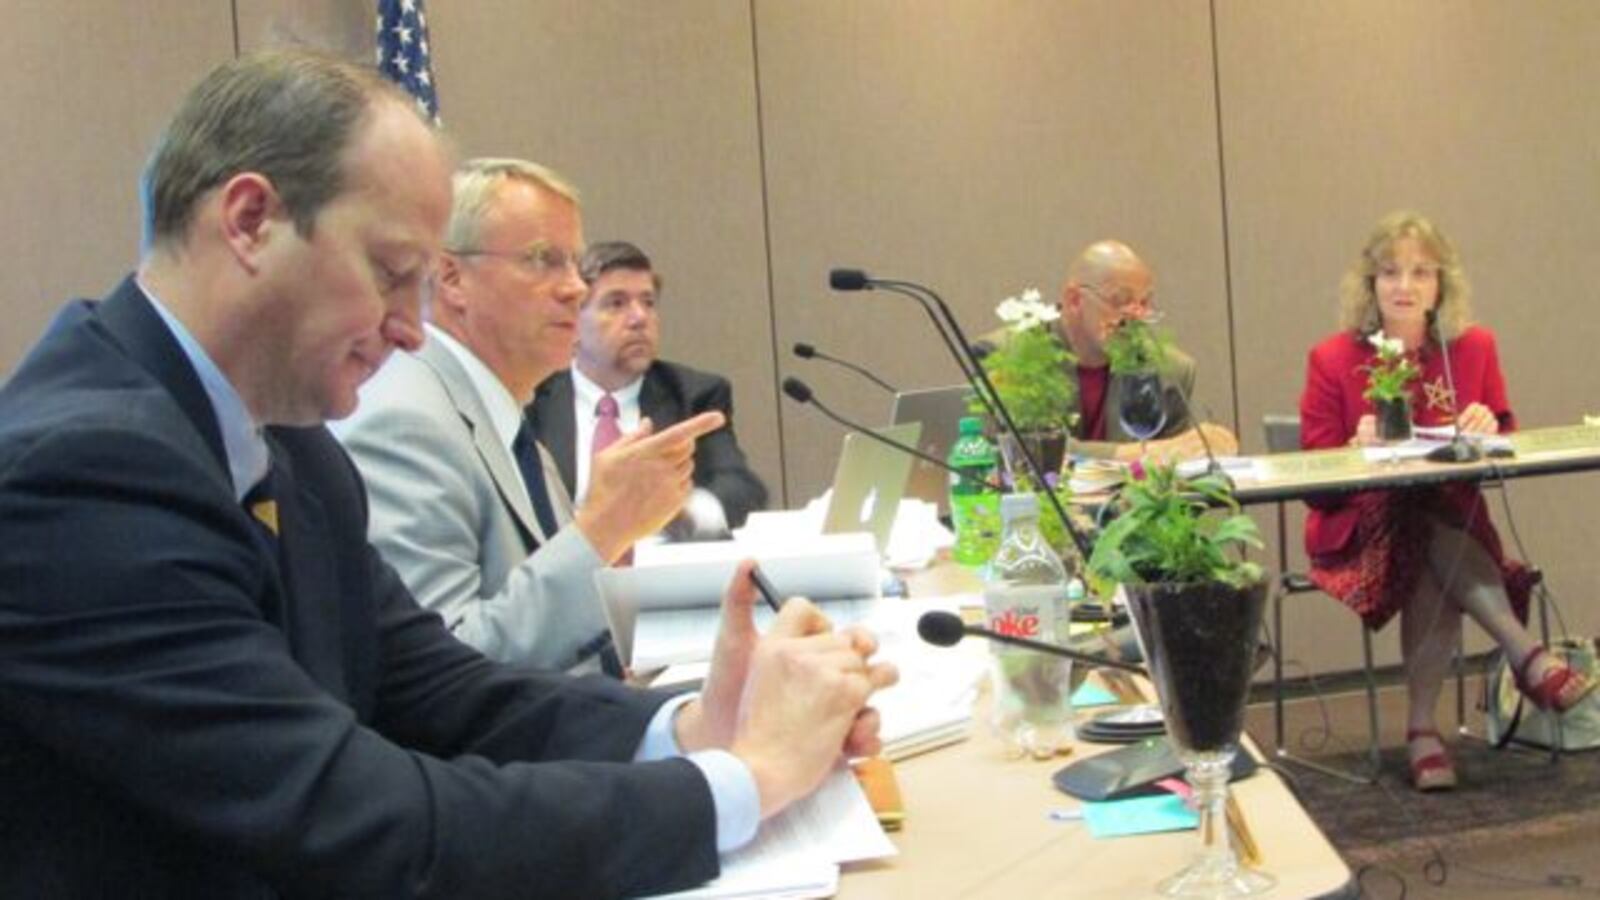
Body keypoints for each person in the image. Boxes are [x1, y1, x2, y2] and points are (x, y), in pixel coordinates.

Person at [0, 50, 895, 898]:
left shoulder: (289, 441)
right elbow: (360, 820)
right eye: (392, 275)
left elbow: (441, 692)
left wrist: (697, 726)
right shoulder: (81, 473)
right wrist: (743, 784)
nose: (411, 328)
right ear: (249, 221)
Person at [335, 162, 719, 672]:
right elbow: (445, 673)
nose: (574, 289)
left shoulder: (502, 416)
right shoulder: (406, 422)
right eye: (544, 261)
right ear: (451, 278)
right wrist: (604, 529)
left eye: (575, 266)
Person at [1299, 210, 1591, 791]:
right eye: (1390, 273)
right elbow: (1315, 480)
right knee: (1419, 519)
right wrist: (1355, 450)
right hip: (1358, 530)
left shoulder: (1473, 348)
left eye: (1420, 273)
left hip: (1451, 525)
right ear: (1370, 284)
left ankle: (1422, 731)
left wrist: (1487, 424)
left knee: (1428, 530)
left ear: (1441, 286)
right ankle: (1524, 655)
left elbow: (1501, 441)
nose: (1404, 287)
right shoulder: (1331, 358)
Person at [529, 241, 769, 537]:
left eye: (648, 302)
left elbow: (740, 487)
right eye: (616, 303)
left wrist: (684, 513)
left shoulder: (694, 395)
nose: (639, 318)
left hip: (659, 574)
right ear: (574, 323)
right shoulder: (532, 400)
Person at [1052, 239, 1236, 461]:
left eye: (1144, 302)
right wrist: (1136, 453)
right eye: (1120, 299)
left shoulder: (1168, 370)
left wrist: (1205, 446)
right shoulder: (1012, 358)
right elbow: (1024, 453)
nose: (1135, 315)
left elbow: (1176, 468)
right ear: (1074, 300)